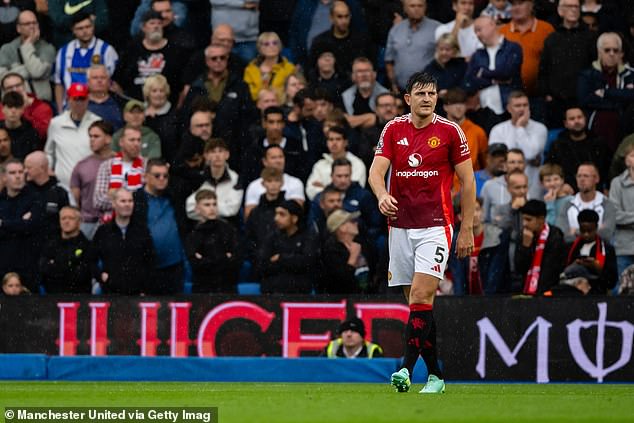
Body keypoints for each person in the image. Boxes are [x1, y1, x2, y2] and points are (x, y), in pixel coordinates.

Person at [368, 71, 475, 394]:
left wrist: (466, 227)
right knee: (418, 307)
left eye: (432, 93)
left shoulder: (450, 132)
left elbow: (468, 182)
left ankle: (404, 368)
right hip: (400, 227)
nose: (427, 98)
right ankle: (436, 376)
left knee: (420, 297)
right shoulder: (393, 129)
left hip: (435, 226)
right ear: (408, 99)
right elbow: (376, 172)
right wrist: (382, 195)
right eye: (421, 93)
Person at [132, 158, 187, 295]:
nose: (162, 179)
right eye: (157, 175)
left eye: (165, 175)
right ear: (145, 177)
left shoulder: (174, 196)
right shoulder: (135, 199)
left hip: (174, 265)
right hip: (146, 266)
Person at [537, 0, 595, 128]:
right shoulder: (552, 38)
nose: (574, 9)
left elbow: (594, 66)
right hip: (556, 101)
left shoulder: (590, 37)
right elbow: (543, 69)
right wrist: (547, 94)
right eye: (569, 6)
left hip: (582, 98)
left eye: (576, 6)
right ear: (560, 11)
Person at [578, 32, 634, 153]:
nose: (612, 54)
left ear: (620, 54)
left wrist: (606, 92)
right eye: (607, 50)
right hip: (595, 130)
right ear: (599, 52)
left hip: (623, 130)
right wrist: (619, 99)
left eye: (616, 50)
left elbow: (632, 96)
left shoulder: (630, 74)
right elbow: (585, 100)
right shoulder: (588, 75)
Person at [114, 10, 184, 105]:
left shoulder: (175, 51)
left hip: (168, 109)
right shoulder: (131, 50)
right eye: (152, 23)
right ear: (143, 27)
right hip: (135, 108)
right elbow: (117, 81)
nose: (156, 26)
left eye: (159, 23)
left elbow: (182, 86)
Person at [93, 188, 154, 294]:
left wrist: (145, 286)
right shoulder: (103, 231)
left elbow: (150, 260)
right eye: (123, 201)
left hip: (137, 293)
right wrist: (101, 276)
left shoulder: (142, 231)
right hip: (111, 292)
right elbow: (90, 259)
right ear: (113, 204)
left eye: (130, 201)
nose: (127, 204)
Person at [53, 13, 118, 113]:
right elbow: (59, 84)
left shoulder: (106, 50)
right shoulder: (63, 52)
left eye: (88, 27)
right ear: (73, 31)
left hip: (99, 106)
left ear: (93, 27)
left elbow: (114, 82)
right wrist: (60, 111)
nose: (85, 31)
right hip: (70, 107)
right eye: (80, 28)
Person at [488, 91, 547, 200]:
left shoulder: (540, 128)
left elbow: (530, 153)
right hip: (505, 182)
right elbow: (497, 161)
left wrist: (520, 127)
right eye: (517, 106)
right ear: (509, 108)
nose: (522, 109)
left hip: (532, 182)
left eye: (525, 105)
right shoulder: (498, 130)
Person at [45, 82, 101, 190]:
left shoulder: (97, 122)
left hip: (91, 184)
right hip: (63, 185)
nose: (79, 103)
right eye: (75, 99)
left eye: (82, 99)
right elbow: (49, 152)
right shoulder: (56, 123)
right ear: (68, 99)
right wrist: (48, 168)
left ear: (88, 100)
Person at [256, 199, 320, 294]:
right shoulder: (272, 237)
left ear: (294, 218)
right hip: (272, 291)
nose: (276, 218)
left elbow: (307, 262)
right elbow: (262, 264)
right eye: (276, 214)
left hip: (299, 292)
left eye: (282, 214)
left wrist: (281, 258)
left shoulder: (308, 237)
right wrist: (293, 260)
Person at [448, 197, 509, 295]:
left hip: (492, 301)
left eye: (477, 209)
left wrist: (487, 303)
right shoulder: (455, 242)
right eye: (468, 211)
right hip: (466, 302)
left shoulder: (497, 237)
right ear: (459, 217)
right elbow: (458, 277)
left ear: (482, 211)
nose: (474, 215)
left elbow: (495, 277)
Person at [0, 158, 44, 292]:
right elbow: (24, 226)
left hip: (28, 264)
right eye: (13, 173)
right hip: (3, 263)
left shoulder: (36, 198)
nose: (18, 176)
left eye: (20, 172)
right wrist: (20, 223)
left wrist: (3, 223)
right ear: (4, 177)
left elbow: (31, 226)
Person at [185, 189, 240, 293]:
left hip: (227, 288)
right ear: (197, 209)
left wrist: (206, 260)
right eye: (207, 205)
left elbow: (236, 260)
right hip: (202, 289)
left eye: (214, 204)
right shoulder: (192, 234)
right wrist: (224, 257)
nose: (212, 208)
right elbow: (196, 265)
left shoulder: (229, 229)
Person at [544, 106, 611, 191]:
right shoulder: (558, 146)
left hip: (596, 192)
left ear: (585, 120)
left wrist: (606, 188)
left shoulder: (599, 143)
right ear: (566, 123)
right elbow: (550, 170)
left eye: (579, 117)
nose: (576, 121)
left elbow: (608, 169)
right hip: (568, 193)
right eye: (572, 119)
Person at [499, 0, 555, 98]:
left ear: (531, 5)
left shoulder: (546, 29)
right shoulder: (502, 31)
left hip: (540, 96)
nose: (516, 8)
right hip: (509, 97)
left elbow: (554, 63)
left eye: (520, 3)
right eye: (513, 4)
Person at [70, 120, 114, 239]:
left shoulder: (120, 162)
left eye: (96, 136)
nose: (92, 139)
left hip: (114, 221)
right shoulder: (82, 165)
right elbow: (75, 199)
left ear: (108, 139)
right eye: (90, 136)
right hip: (88, 222)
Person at [0, 10, 56, 102]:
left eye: (34, 23)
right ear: (18, 28)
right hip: (13, 103)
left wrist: (27, 46)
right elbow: (2, 78)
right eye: (27, 24)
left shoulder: (48, 48)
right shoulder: (7, 49)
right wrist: (28, 69)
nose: (32, 26)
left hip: (41, 102)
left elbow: (37, 72)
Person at [385, 0, 440, 93]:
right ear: (405, 8)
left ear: (425, 7)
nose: (416, 9)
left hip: (429, 91)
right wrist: (393, 84)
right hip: (401, 90)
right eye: (412, 6)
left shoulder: (438, 29)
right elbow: (389, 61)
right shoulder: (396, 30)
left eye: (420, 6)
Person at [39, 205, 97, 294]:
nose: (66, 221)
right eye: (63, 218)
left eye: (71, 218)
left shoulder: (87, 246)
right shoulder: (50, 245)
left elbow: (83, 275)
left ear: (79, 222)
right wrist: (69, 266)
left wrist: (56, 266)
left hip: (79, 297)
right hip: (52, 296)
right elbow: (44, 270)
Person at [185, 138, 243, 227]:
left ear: (227, 155)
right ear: (206, 156)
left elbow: (232, 209)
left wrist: (204, 208)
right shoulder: (198, 178)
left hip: (227, 227)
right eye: (212, 152)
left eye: (220, 151)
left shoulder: (236, 179)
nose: (217, 155)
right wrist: (219, 207)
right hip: (201, 227)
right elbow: (189, 208)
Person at [93, 125, 146, 222]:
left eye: (139, 140)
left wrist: (115, 195)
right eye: (132, 140)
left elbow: (147, 200)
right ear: (121, 142)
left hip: (140, 221)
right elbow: (98, 201)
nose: (136, 144)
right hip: (111, 223)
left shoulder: (146, 166)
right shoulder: (107, 166)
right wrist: (130, 198)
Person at [308, 1, 374, 77]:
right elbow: (312, 71)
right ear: (331, 18)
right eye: (340, 17)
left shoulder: (362, 40)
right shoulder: (320, 42)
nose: (344, 21)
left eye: (346, 16)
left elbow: (371, 66)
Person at [514, 199, 566, 295]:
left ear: (541, 219)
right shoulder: (522, 236)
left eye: (529, 220)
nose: (525, 224)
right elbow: (519, 269)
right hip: (525, 290)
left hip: (548, 292)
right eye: (523, 219)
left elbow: (552, 270)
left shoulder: (555, 237)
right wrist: (525, 247)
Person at [556, 162, 616, 243]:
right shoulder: (567, 204)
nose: (582, 179)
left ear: (596, 178)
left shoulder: (607, 204)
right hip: (573, 252)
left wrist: (575, 231)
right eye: (579, 176)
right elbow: (561, 234)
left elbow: (606, 234)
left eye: (586, 176)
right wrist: (594, 231)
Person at [320, 209, 375, 294]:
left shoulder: (363, 243)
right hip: (343, 300)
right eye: (352, 221)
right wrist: (353, 257)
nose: (356, 223)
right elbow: (339, 280)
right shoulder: (330, 250)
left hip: (368, 298)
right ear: (342, 227)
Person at [306, 126, 366, 201]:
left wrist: (324, 188)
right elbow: (310, 191)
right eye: (331, 139)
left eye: (338, 139)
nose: (334, 143)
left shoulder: (357, 164)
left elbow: (354, 192)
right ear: (327, 143)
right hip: (324, 210)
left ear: (345, 142)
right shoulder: (319, 165)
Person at [565, 209, 617, 294]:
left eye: (590, 231)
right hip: (571, 293)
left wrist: (597, 268)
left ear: (596, 228)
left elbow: (612, 282)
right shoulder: (570, 247)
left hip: (596, 293)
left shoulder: (607, 249)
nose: (586, 234)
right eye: (583, 231)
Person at [0, 72, 53, 141]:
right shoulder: (1, 108)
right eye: (10, 88)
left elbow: (42, 134)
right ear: (4, 91)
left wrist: (24, 108)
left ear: (24, 85)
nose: (15, 90)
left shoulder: (42, 107)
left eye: (18, 85)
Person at [608, 143, 634, 285]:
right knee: (622, 289)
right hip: (624, 247)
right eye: (633, 155)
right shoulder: (617, 183)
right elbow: (615, 215)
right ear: (626, 161)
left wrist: (628, 218)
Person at [0, 91, 39, 159]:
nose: (13, 111)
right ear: (3, 109)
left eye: (17, 107)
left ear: (22, 110)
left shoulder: (31, 132)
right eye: (9, 107)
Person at [86, 64, 123, 131]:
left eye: (103, 77)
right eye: (95, 78)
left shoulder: (121, 103)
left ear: (109, 82)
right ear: (88, 82)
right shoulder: (78, 102)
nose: (99, 81)